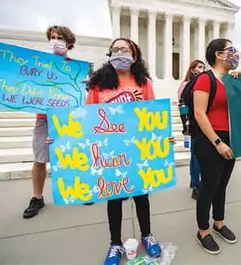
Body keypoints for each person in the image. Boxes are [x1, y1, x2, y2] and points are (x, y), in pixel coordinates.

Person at [85, 38, 169, 264]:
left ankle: (147, 235)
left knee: (142, 195)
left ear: (134, 55)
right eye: (115, 49)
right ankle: (115, 243)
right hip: (110, 151)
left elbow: (153, 116)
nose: (120, 52)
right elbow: (85, 118)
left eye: (125, 49)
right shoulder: (98, 84)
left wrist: (162, 136)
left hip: (137, 150)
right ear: (109, 54)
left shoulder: (144, 83)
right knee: (114, 198)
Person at [22, 25, 84, 219]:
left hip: (68, 119)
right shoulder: (41, 65)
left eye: (59, 38)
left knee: (73, 156)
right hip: (43, 118)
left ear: (69, 42)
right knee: (40, 158)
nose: (55, 41)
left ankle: (77, 190)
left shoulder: (76, 68)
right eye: (52, 37)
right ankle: (37, 197)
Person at [194, 38, 239, 254]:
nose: (234, 54)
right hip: (210, 139)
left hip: (231, 137)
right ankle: (203, 230)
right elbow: (200, 114)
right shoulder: (205, 79)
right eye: (231, 50)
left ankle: (219, 222)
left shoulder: (231, 79)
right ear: (219, 54)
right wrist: (218, 143)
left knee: (222, 183)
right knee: (209, 185)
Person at [178, 60, 206, 200]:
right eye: (199, 67)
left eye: (203, 67)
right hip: (192, 125)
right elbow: (182, 105)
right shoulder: (186, 85)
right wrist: (186, 126)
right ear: (192, 69)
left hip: (202, 124)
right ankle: (196, 184)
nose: (202, 69)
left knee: (196, 156)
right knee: (195, 157)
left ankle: (194, 180)